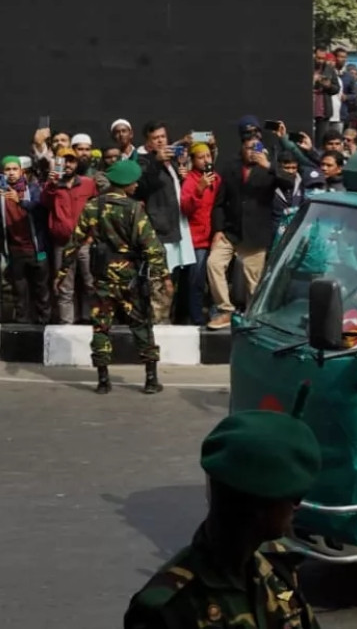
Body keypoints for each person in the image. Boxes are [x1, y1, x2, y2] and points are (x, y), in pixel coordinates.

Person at [123, 409, 322, 628]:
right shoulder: (169, 610)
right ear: (258, 508)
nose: (298, 506)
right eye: (294, 497)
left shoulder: (278, 568)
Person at [56, 159, 170, 394]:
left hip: (102, 277)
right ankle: (150, 379)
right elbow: (152, 246)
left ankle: (103, 381)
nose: (137, 185)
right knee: (141, 326)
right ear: (125, 184)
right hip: (130, 278)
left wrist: (61, 273)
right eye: (134, 181)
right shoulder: (134, 209)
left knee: (101, 327)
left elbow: (73, 243)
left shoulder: (92, 207)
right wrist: (163, 277)